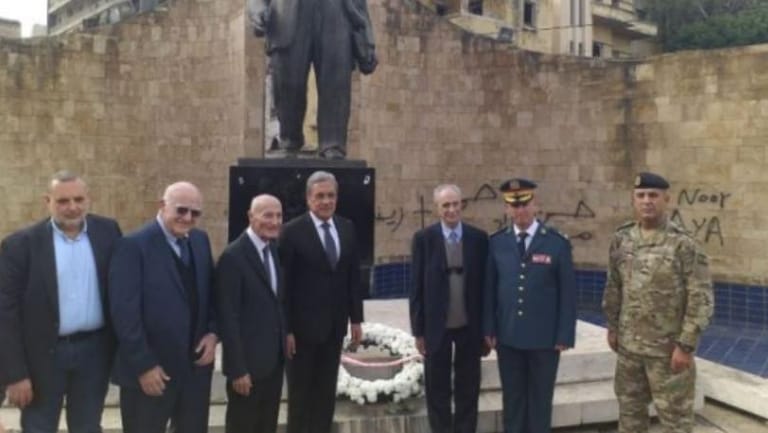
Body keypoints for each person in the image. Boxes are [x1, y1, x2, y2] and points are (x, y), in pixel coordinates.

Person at [0, 170, 122, 433]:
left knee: (88, 426)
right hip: (42, 357)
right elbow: (5, 314)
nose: (72, 207)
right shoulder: (20, 245)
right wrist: (15, 374)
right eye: (63, 201)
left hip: (94, 353)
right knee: (39, 427)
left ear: (88, 199)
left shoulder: (108, 232)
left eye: (78, 199)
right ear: (48, 201)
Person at [602, 172, 714, 433]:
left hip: (668, 353)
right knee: (630, 417)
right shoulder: (622, 239)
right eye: (640, 195)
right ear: (633, 200)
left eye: (653, 195)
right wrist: (612, 326)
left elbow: (701, 297)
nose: (647, 201)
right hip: (629, 351)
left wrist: (685, 346)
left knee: (676, 422)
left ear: (667, 199)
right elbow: (614, 286)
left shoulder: (683, 243)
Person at [109, 181, 218, 433]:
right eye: (181, 210)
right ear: (162, 206)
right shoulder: (132, 246)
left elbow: (211, 296)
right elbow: (124, 314)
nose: (187, 218)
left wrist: (213, 333)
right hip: (151, 374)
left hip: (194, 373)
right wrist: (144, 365)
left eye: (195, 213)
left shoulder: (200, 241)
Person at [483, 178, 576, 433]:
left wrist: (564, 334)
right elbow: (489, 289)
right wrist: (489, 328)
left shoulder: (557, 243)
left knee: (540, 401)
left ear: (535, 204)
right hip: (508, 337)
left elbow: (568, 293)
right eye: (514, 205)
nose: (520, 210)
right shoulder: (496, 242)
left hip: (544, 340)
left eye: (525, 204)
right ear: (506, 209)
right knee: (512, 401)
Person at [279, 170, 363, 433]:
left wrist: (356, 319)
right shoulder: (291, 232)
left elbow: (352, 276)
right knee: (301, 397)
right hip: (301, 333)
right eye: (320, 196)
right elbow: (284, 286)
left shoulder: (347, 228)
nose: (326, 201)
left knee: (325, 396)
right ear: (309, 199)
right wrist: (286, 329)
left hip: (334, 328)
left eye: (331, 195)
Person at [248, 0, 377, 159]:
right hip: (286, 12)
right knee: (287, 79)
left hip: (336, 9)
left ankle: (333, 144)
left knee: (336, 80)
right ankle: (289, 139)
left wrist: (366, 34)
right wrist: (257, 5)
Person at [409, 184, 489, 433]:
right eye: (446, 205)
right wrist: (418, 331)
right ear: (437, 208)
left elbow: (486, 287)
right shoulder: (423, 239)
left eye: (455, 204)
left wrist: (487, 328)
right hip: (436, 327)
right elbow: (416, 288)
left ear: (462, 204)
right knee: (437, 388)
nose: (452, 209)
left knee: (468, 387)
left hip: (469, 326)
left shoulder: (479, 239)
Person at [217, 194, 285, 433]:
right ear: (250, 216)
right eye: (268, 215)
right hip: (247, 369)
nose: (274, 221)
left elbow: (276, 302)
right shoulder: (233, 257)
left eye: (279, 216)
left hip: (273, 364)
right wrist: (237, 369)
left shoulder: (273, 249)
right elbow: (228, 318)